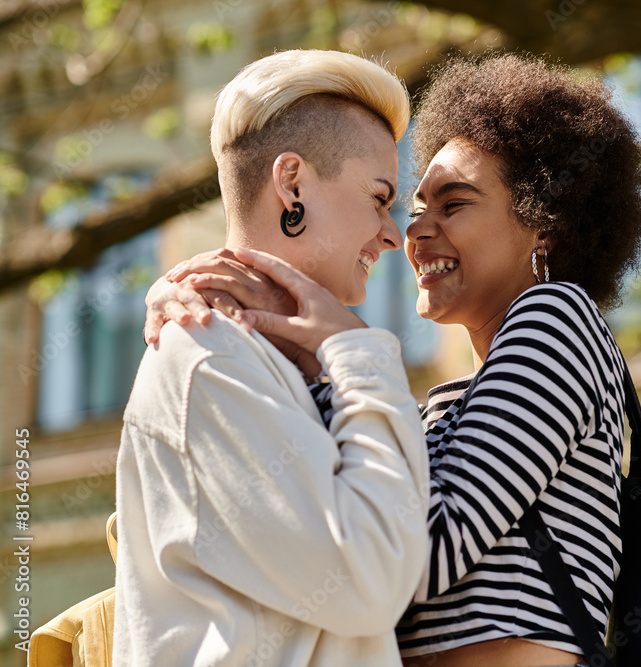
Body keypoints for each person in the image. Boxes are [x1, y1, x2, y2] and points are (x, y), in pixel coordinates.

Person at [145, 53, 641, 667]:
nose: (412, 233)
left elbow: (421, 551)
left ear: (542, 225)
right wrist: (204, 296)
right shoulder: (444, 407)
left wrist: (340, 347)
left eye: (454, 205)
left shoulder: (557, 319)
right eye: (412, 208)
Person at [115, 49, 430, 666]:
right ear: (292, 185)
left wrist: (332, 358)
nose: (395, 234)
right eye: (379, 197)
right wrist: (358, 350)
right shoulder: (209, 355)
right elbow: (369, 582)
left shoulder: (271, 361)